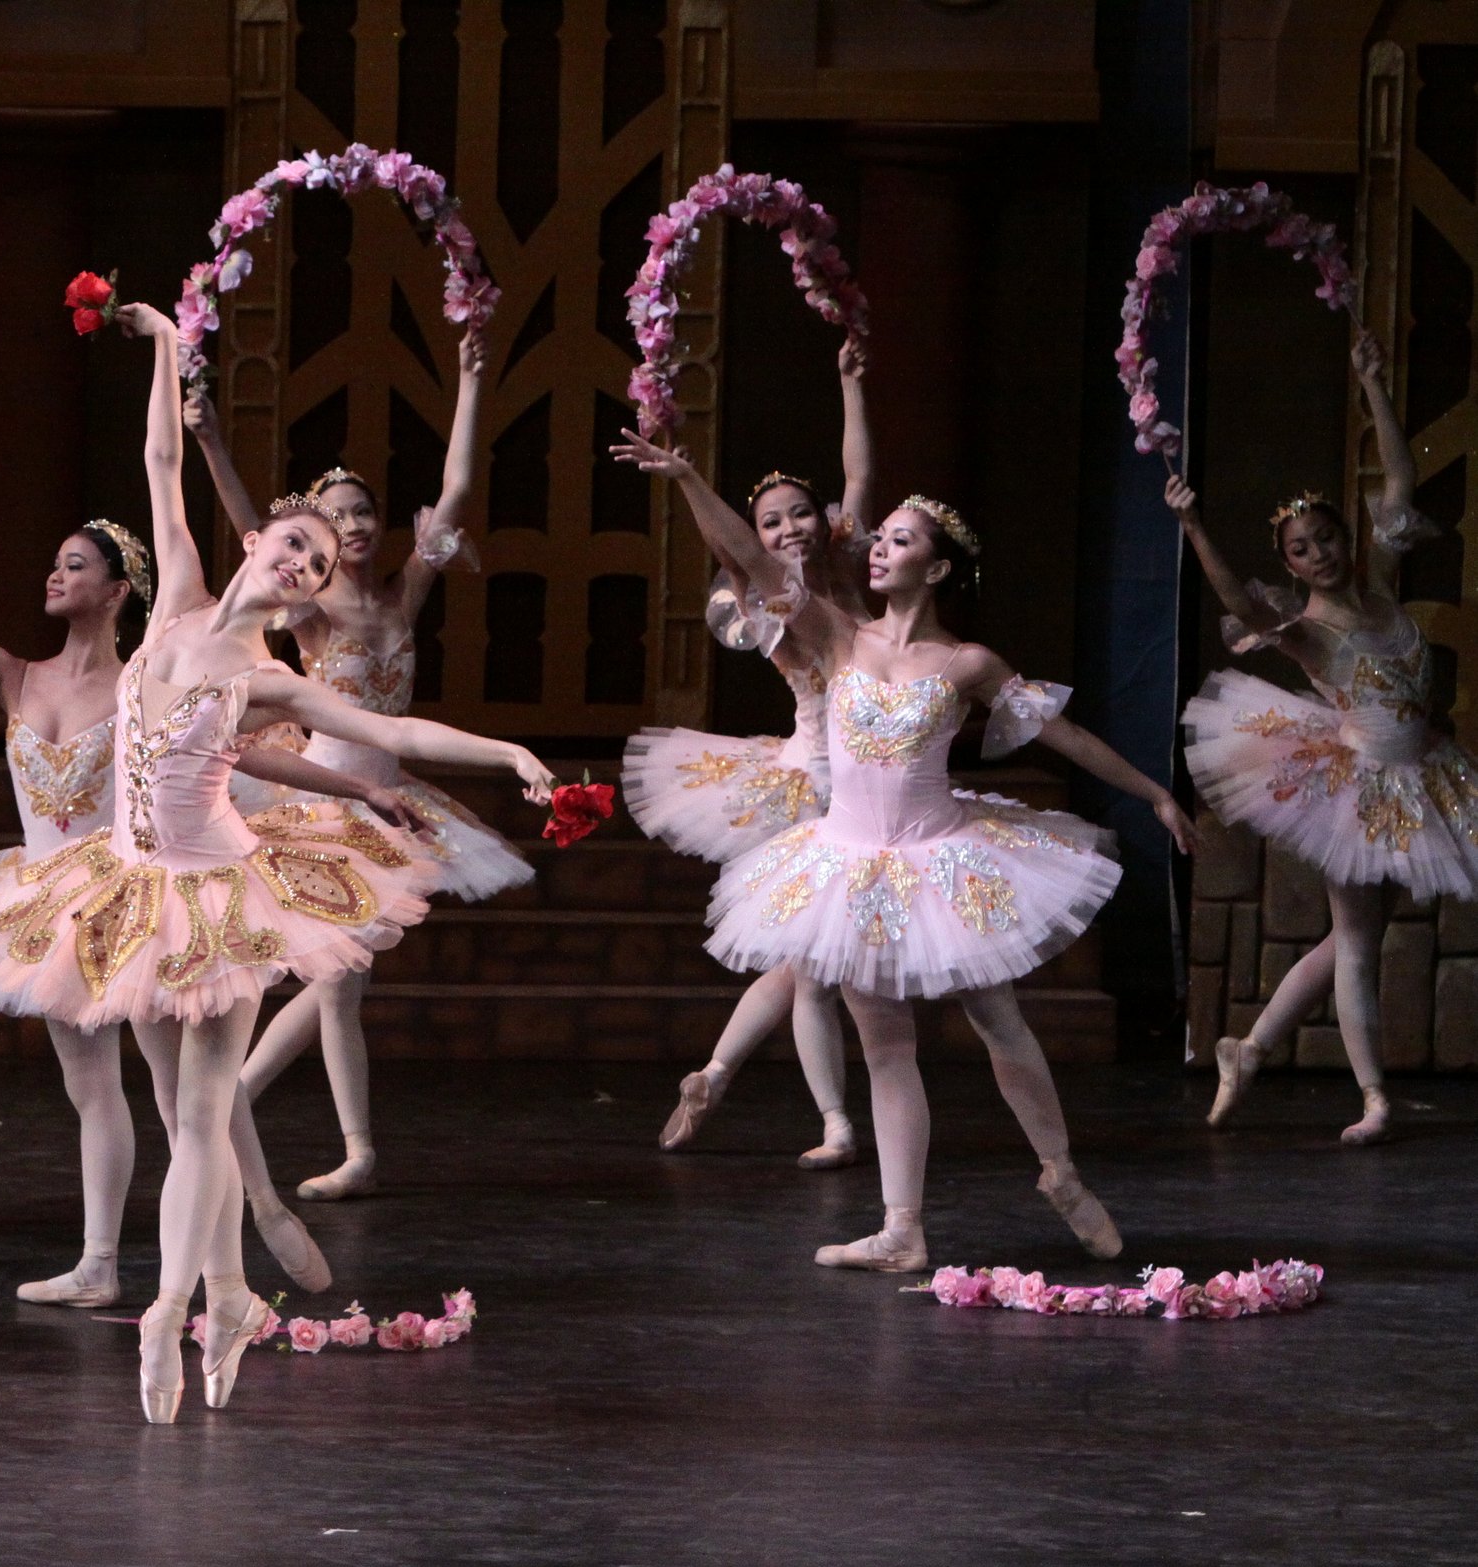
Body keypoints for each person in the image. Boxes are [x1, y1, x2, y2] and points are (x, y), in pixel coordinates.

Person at [0, 304, 552, 1421]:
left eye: (315, 558)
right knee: (173, 1103)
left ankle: (170, 1310)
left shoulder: (267, 673)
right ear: (253, 543)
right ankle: (228, 1287)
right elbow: (161, 457)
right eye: (289, 541)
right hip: (122, 878)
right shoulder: (175, 603)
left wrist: (508, 750)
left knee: (201, 1111)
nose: (301, 560)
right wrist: (166, 341)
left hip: (219, 891)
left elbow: (397, 733)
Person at [0, 509, 430, 1304]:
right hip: (56, 907)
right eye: (54, 562)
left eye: (75, 564)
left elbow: (236, 746)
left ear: (119, 589)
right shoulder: (15, 675)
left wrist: (359, 783)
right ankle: (99, 1262)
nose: (55, 575)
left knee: (186, 1096)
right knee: (91, 1087)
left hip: (145, 898)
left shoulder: (146, 674)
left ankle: (253, 1222)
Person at [617, 431, 1195, 1272]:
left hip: (940, 856)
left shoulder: (967, 663)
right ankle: (901, 1226)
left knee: (999, 1018)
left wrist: (1154, 793)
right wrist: (687, 478)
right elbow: (750, 557)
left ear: (937, 567)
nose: (876, 546)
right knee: (885, 1046)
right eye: (879, 535)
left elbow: (1062, 734)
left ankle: (1063, 1175)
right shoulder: (835, 635)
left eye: (898, 539)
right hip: (848, 864)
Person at [181, 327, 530, 1202]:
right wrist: (212, 440)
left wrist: (471, 377)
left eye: (364, 514)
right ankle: (326, 1135)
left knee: (341, 980)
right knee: (336, 981)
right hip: (326, 797)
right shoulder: (309, 609)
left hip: (391, 796)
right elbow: (244, 526)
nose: (355, 527)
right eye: (335, 518)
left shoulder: (404, 592)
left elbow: (455, 489)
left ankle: (261, 1110)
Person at [1176, 330, 1474, 1144]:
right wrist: (1196, 523)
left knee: (1357, 933)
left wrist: (1374, 384)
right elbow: (1239, 598)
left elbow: (1401, 478)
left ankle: (1250, 1046)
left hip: (1424, 769)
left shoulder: (1378, 583)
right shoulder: (1307, 628)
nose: (1320, 554)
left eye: (1327, 538)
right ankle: (1373, 1094)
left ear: (1346, 538)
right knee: (1358, 942)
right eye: (1302, 550)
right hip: (1359, 783)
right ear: (1294, 564)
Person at [622, 342, 874, 1167]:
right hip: (819, 786)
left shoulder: (853, 575)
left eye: (800, 513)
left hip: (879, 783)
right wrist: (691, 481)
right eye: (772, 521)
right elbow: (734, 550)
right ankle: (836, 1122)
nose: (789, 528)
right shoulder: (773, 598)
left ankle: (715, 1072)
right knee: (814, 967)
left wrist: (848, 385)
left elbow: (860, 478)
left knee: (810, 964)